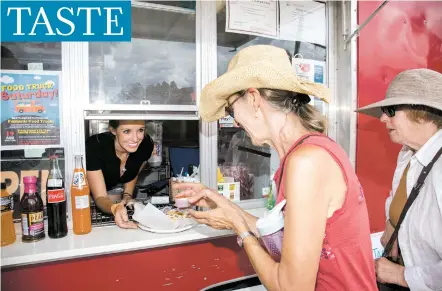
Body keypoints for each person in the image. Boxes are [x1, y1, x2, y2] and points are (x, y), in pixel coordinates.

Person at [175, 45, 377, 290]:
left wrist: (238, 227)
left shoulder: (306, 163)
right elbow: (282, 238)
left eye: (230, 108)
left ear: (253, 99)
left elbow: (290, 287)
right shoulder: (302, 155)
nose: (234, 119)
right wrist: (222, 203)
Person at [357, 68, 442, 290]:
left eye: (391, 110)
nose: (383, 118)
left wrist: (403, 275)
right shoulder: (408, 153)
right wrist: (394, 225)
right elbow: (401, 198)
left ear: (423, 113)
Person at [86, 120, 153, 229]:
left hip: (112, 191)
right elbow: (100, 197)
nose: (135, 139)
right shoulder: (95, 147)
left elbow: (133, 171)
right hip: (86, 198)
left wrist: (127, 195)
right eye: (127, 131)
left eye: (140, 130)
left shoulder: (145, 144)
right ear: (113, 130)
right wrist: (114, 207)